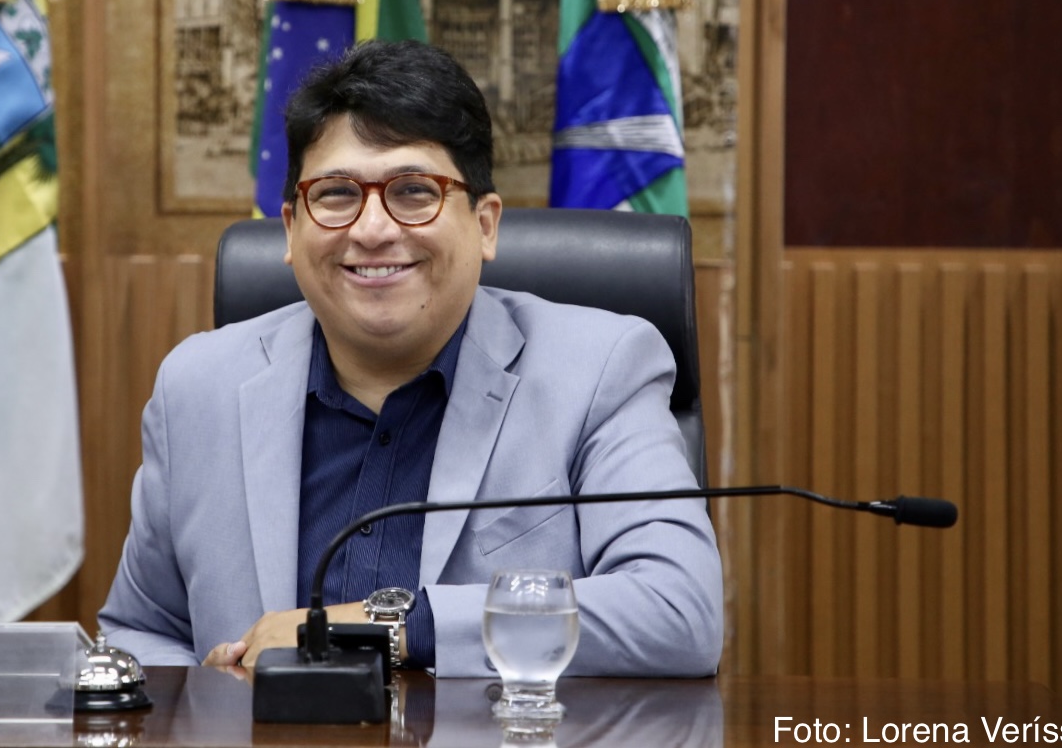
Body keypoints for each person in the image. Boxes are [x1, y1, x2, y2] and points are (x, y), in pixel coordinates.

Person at [99, 39, 722, 677]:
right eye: (336, 194)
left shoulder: (599, 370)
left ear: (485, 224)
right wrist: (206, 704)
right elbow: (142, 632)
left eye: (414, 191)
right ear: (290, 228)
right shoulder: (197, 387)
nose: (372, 229)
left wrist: (387, 627)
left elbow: (679, 611)